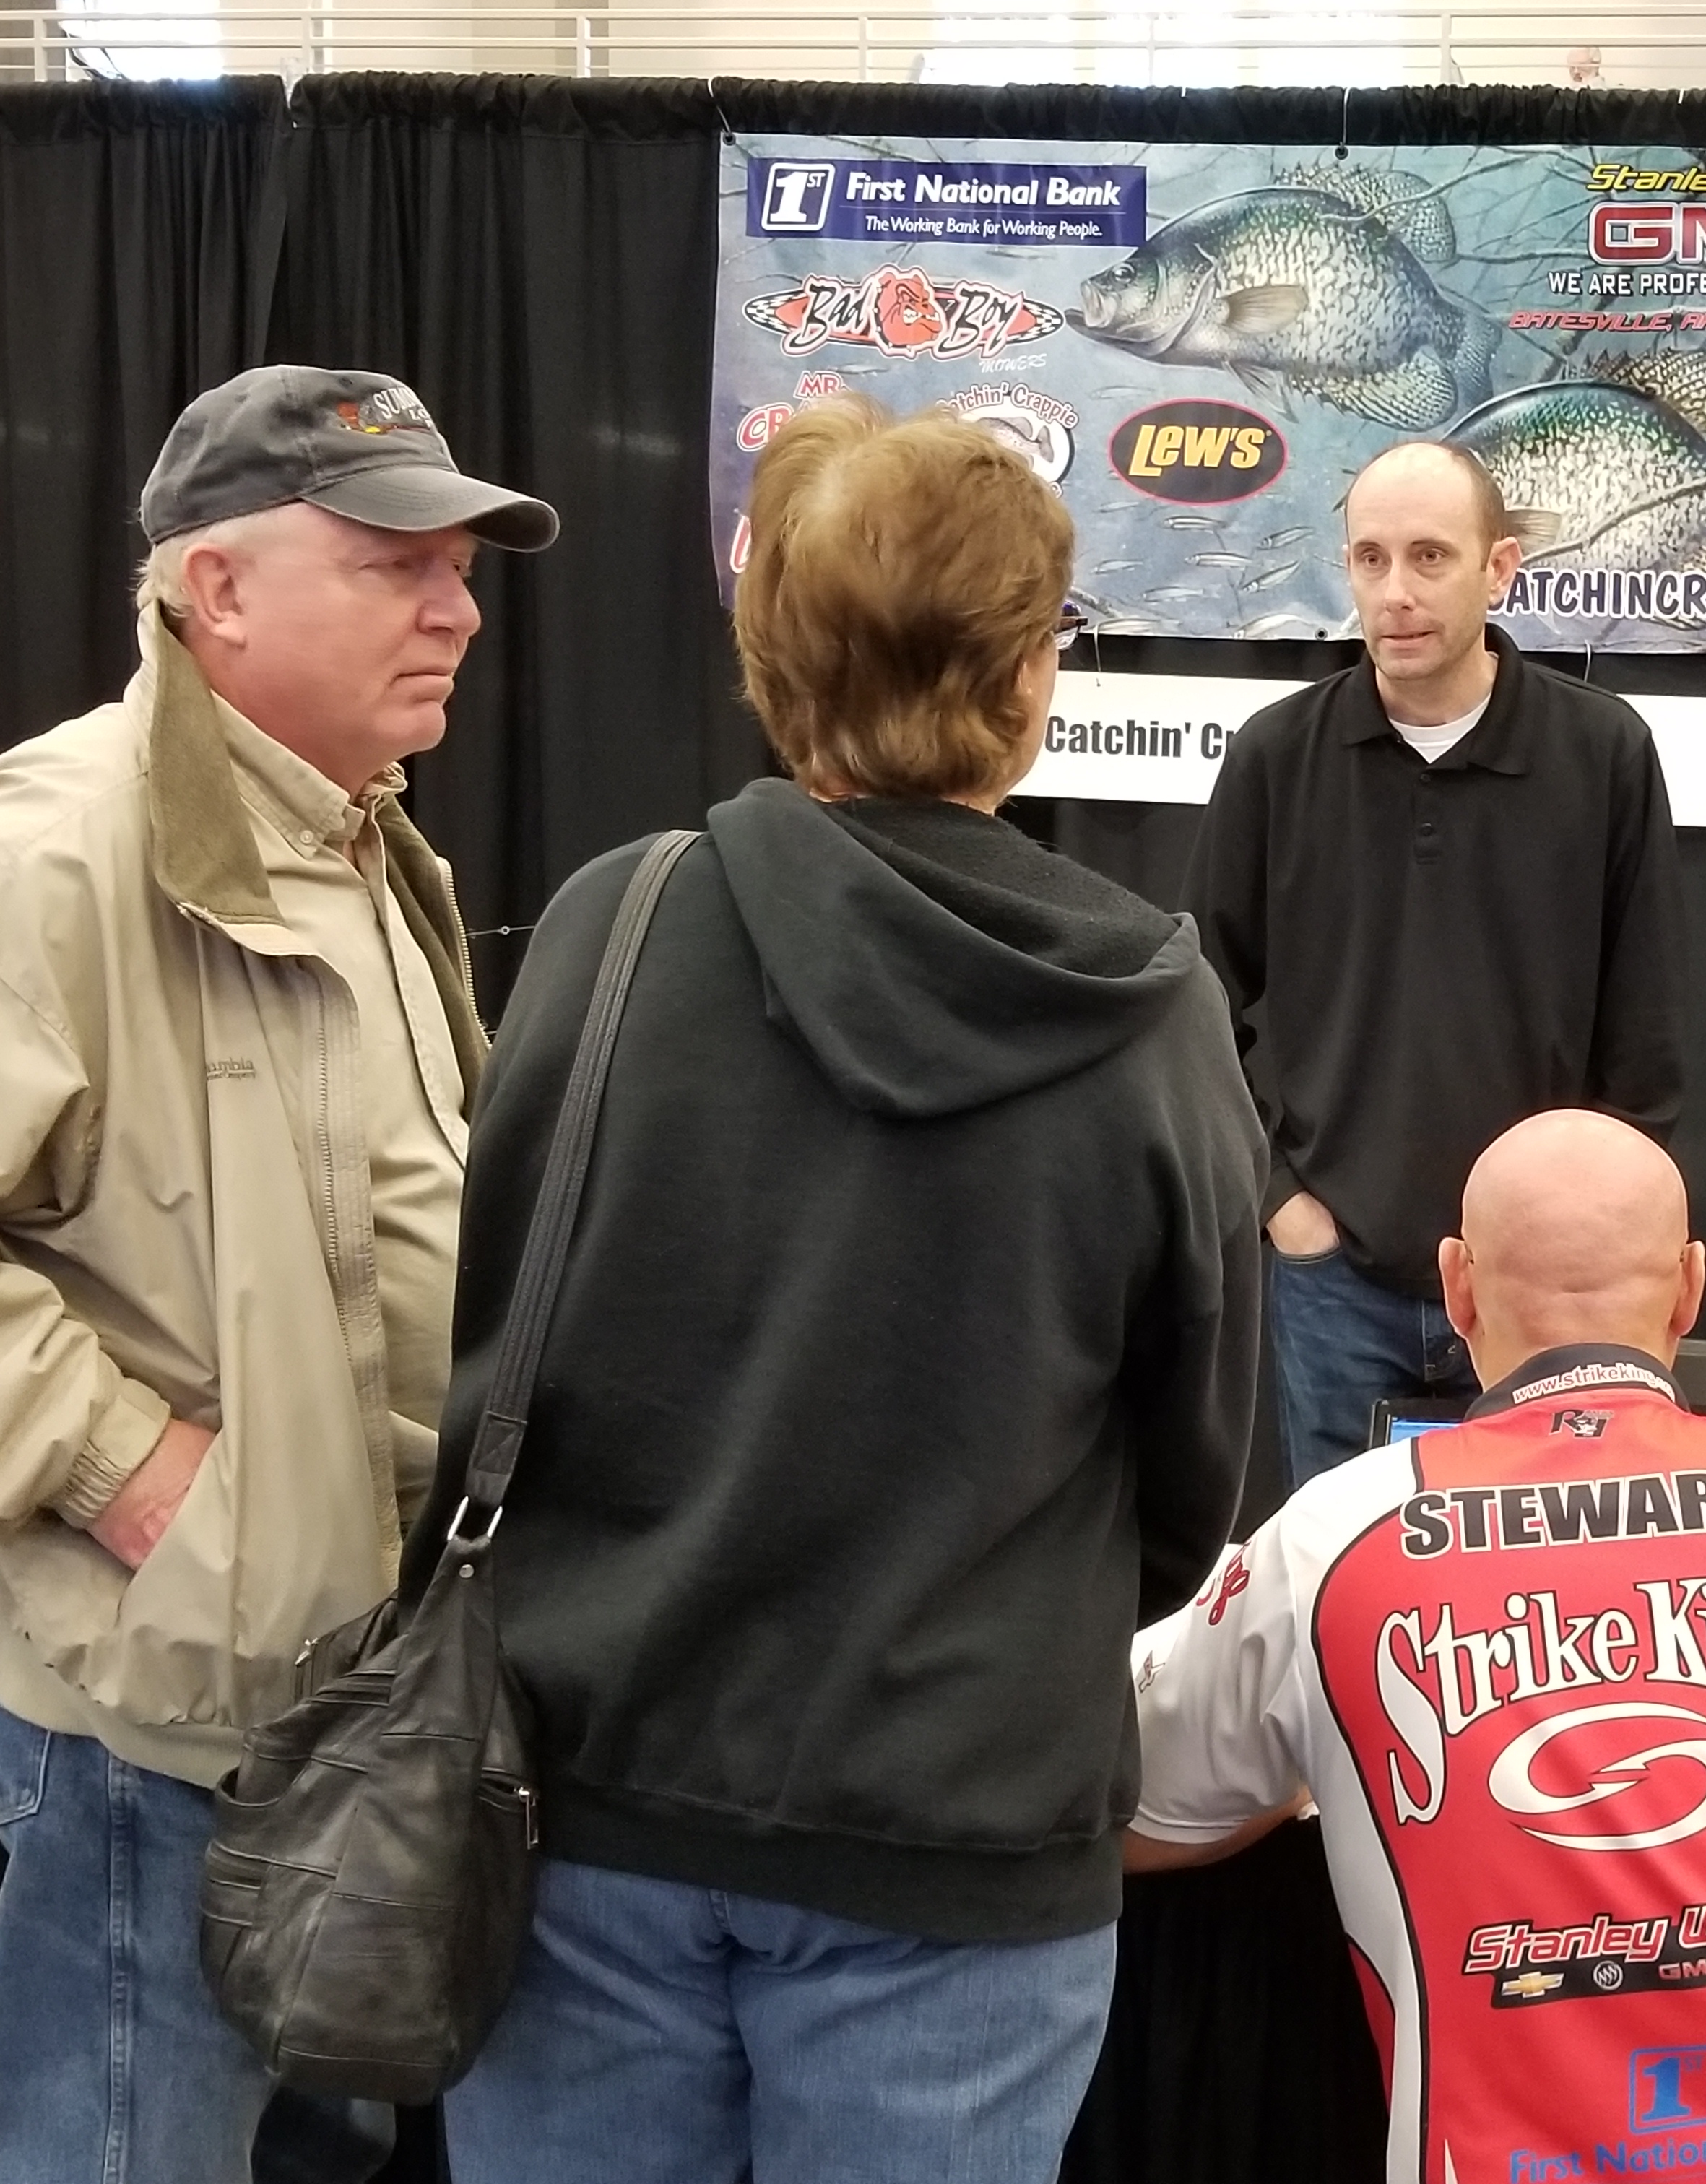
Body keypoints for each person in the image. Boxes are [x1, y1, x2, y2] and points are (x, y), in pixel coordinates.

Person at [415, 395, 1268, 2184]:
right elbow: (1198, 1467)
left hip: (591, 1809)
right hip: (957, 1832)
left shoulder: (615, 919)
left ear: (772, 661)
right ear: (1032, 676)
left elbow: (492, 1330)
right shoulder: (1148, 1011)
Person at [1125, 1112, 1706, 2184]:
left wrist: (1316, 1757)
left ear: (1460, 1286)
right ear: (1690, 1288)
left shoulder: (1329, 1538)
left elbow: (1129, 1812)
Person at [0, 365, 555, 2183]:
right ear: (214, 590)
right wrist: (120, 1468)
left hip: (347, 1718)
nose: (458, 605)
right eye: (397, 558)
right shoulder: (61, 849)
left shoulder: (364, 842)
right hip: (148, 1737)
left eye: (464, 566)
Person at [1183, 441, 1686, 1490]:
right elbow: (1193, 1006)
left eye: (1429, 557)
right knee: (1346, 1600)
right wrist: (1283, 1201)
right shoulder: (1277, 759)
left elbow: (1644, 1043)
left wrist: (1595, 1251)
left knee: (1544, 1613)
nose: (1396, 593)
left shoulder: (1602, 754)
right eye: (1369, 559)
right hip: (1338, 1286)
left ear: (1499, 568)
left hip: (1546, 1291)